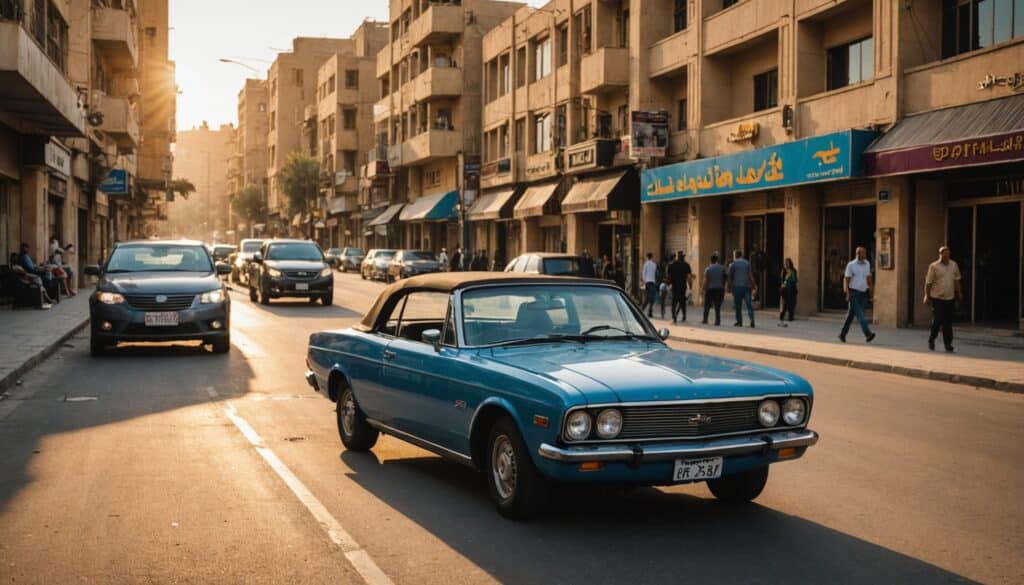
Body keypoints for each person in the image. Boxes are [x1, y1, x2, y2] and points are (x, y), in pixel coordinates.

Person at [924, 245, 962, 352]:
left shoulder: (954, 265)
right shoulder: (934, 266)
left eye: (948, 254)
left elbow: (957, 280)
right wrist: (927, 295)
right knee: (938, 320)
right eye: (944, 253)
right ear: (940, 254)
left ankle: (948, 344)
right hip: (937, 298)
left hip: (950, 298)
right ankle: (931, 339)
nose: (946, 255)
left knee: (948, 322)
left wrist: (959, 293)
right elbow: (928, 282)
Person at [839, 246, 876, 343]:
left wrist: (871, 292)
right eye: (862, 253)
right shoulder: (851, 265)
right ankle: (868, 334)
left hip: (863, 293)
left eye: (865, 253)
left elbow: (869, 279)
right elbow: (846, 280)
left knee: (851, 315)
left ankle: (842, 334)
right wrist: (847, 293)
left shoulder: (867, 264)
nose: (864, 255)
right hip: (853, 293)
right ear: (857, 254)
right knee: (861, 315)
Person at [727, 249, 756, 327]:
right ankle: (752, 320)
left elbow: (729, 276)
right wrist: (753, 285)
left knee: (738, 306)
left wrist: (729, 286)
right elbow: (750, 276)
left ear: (735, 255)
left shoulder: (733, 264)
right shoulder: (747, 263)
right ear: (741, 255)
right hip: (746, 287)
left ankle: (739, 322)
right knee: (749, 304)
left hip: (737, 287)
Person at [667, 251, 694, 323]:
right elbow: (689, 277)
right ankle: (684, 316)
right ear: (683, 257)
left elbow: (668, 277)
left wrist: (668, 284)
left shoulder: (671, 265)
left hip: (675, 286)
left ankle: (674, 317)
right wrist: (690, 287)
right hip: (683, 286)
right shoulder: (686, 265)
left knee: (674, 302)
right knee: (682, 302)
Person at [703, 252, 726, 326]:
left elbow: (706, 280)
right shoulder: (722, 268)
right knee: (717, 306)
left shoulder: (708, 269)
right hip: (719, 289)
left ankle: (705, 319)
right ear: (717, 260)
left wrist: (703, 288)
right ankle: (717, 321)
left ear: (710, 260)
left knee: (707, 305)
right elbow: (725, 278)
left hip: (710, 289)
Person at [779, 258, 798, 323]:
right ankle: (782, 315)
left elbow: (795, 280)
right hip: (785, 289)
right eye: (786, 263)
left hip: (791, 289)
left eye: (788, 263)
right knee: (786, 302)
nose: (787, 264)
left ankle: (790, 316)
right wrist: (783, 285)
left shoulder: (793, 271)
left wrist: (788, 281)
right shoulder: (784, 270)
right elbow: (782, 279)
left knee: (791, 303)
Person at [640, 253, 657, 317]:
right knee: (652, 298)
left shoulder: (646, 264)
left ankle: (642, 310)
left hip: (647, 282)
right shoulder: (654, 264)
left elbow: (643, 273)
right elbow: (655, 273)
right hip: (653, 282)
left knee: (647, 297)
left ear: (647, 257)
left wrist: (644, 281)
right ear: (652, 257)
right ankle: (650, 311)